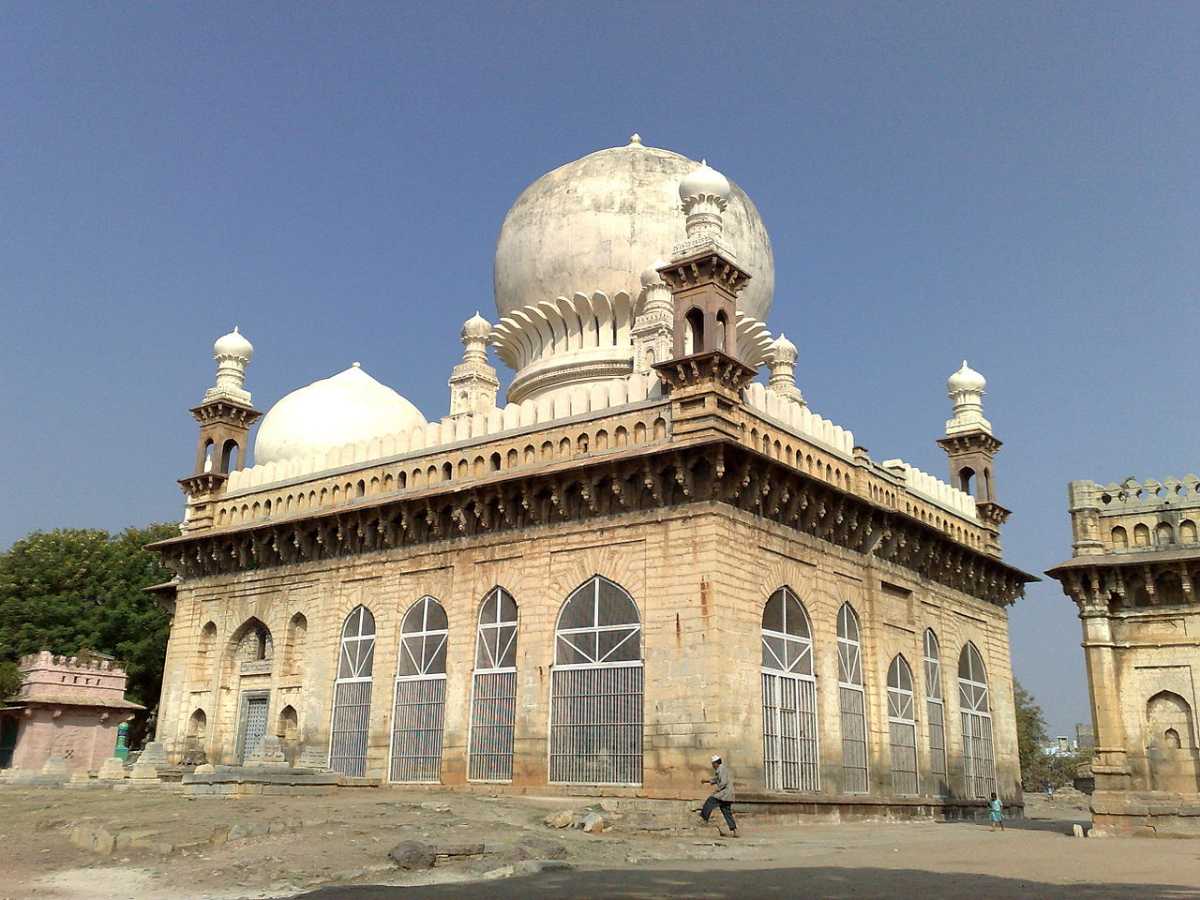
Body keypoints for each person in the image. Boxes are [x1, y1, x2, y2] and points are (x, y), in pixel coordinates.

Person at [700, 754, 738, 837]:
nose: (712, 765)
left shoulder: (721, 769)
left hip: (725, 794)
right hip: (728, 795)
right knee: (726, 812)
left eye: (713, 763)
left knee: (710, 801)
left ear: (716, 763)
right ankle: (734, 830)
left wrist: (717, 790)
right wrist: (706, 781)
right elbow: (716, 779)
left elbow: (723, 782)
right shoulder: (721, 770)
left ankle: (703, 818)